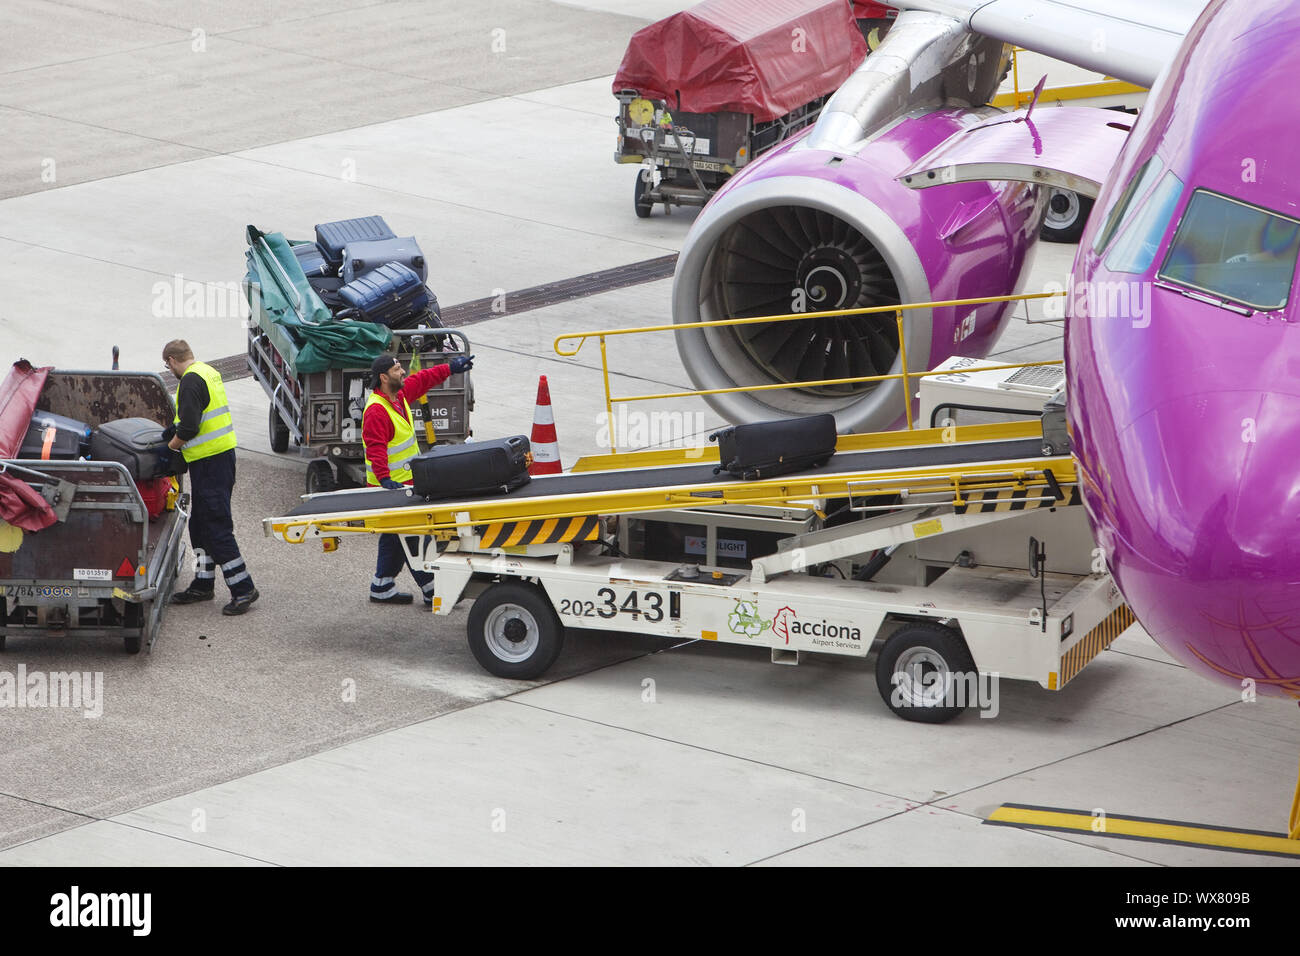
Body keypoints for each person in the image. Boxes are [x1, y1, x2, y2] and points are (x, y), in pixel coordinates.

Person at [365, 351, 474, 605]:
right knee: (414, 534)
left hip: (404, 482)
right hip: (391, 487)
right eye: (396, 370)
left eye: (401, 367)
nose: (402, 372)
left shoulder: (398, 395)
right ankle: (431, 588)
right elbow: (375, 447)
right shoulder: (377, 411)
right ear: (383, 377)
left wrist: (451, 368)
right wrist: (384, 480)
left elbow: (424, 379)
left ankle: (381, 586)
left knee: (394, 535)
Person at [162, 340, 259, 615]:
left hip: (211, 462)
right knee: (200, 525)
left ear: (171, 361)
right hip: (216, 459)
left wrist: (170, 447)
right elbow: (198, 418)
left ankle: (243, 589)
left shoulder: (190, 381)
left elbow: (191, 427)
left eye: (167, 366)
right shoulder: (207, 371)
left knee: (216, 526)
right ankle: (203, 584)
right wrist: (172, 430)